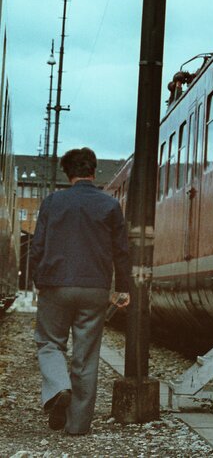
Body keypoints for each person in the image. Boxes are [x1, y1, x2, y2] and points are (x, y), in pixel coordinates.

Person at [30, 147, 132, 435]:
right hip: (95, 288)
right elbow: (121, 251)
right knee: (86, 356)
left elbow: (37, 246)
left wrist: (39, 280)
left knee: (50, 343)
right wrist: (123, 288)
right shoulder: (110, 205)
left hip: (56, 285)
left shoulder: (52, 202)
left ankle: (58, 388)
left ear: (67, 173)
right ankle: (77, 425)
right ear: (93, 172)